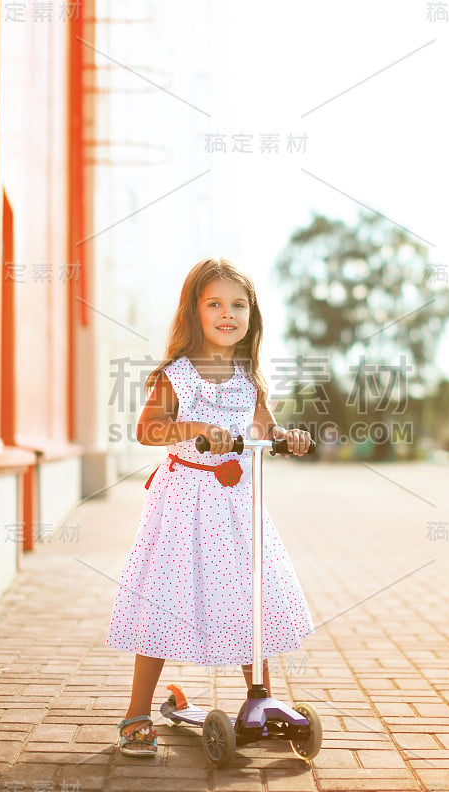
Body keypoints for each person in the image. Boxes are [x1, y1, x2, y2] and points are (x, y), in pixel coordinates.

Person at [105, 256, 315, 756]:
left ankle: (258, 701)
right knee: (165, 597)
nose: (228, 313)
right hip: (185, 503)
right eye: (215, 303)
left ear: (251, 316)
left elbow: (261, 429)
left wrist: (287, 436)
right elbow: (147, 429)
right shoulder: (177, 375)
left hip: (238, 505)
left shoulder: (248, 376)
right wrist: (197, 430)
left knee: (251, 596)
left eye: (238, 305)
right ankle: (136, 712)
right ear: (194, 313)